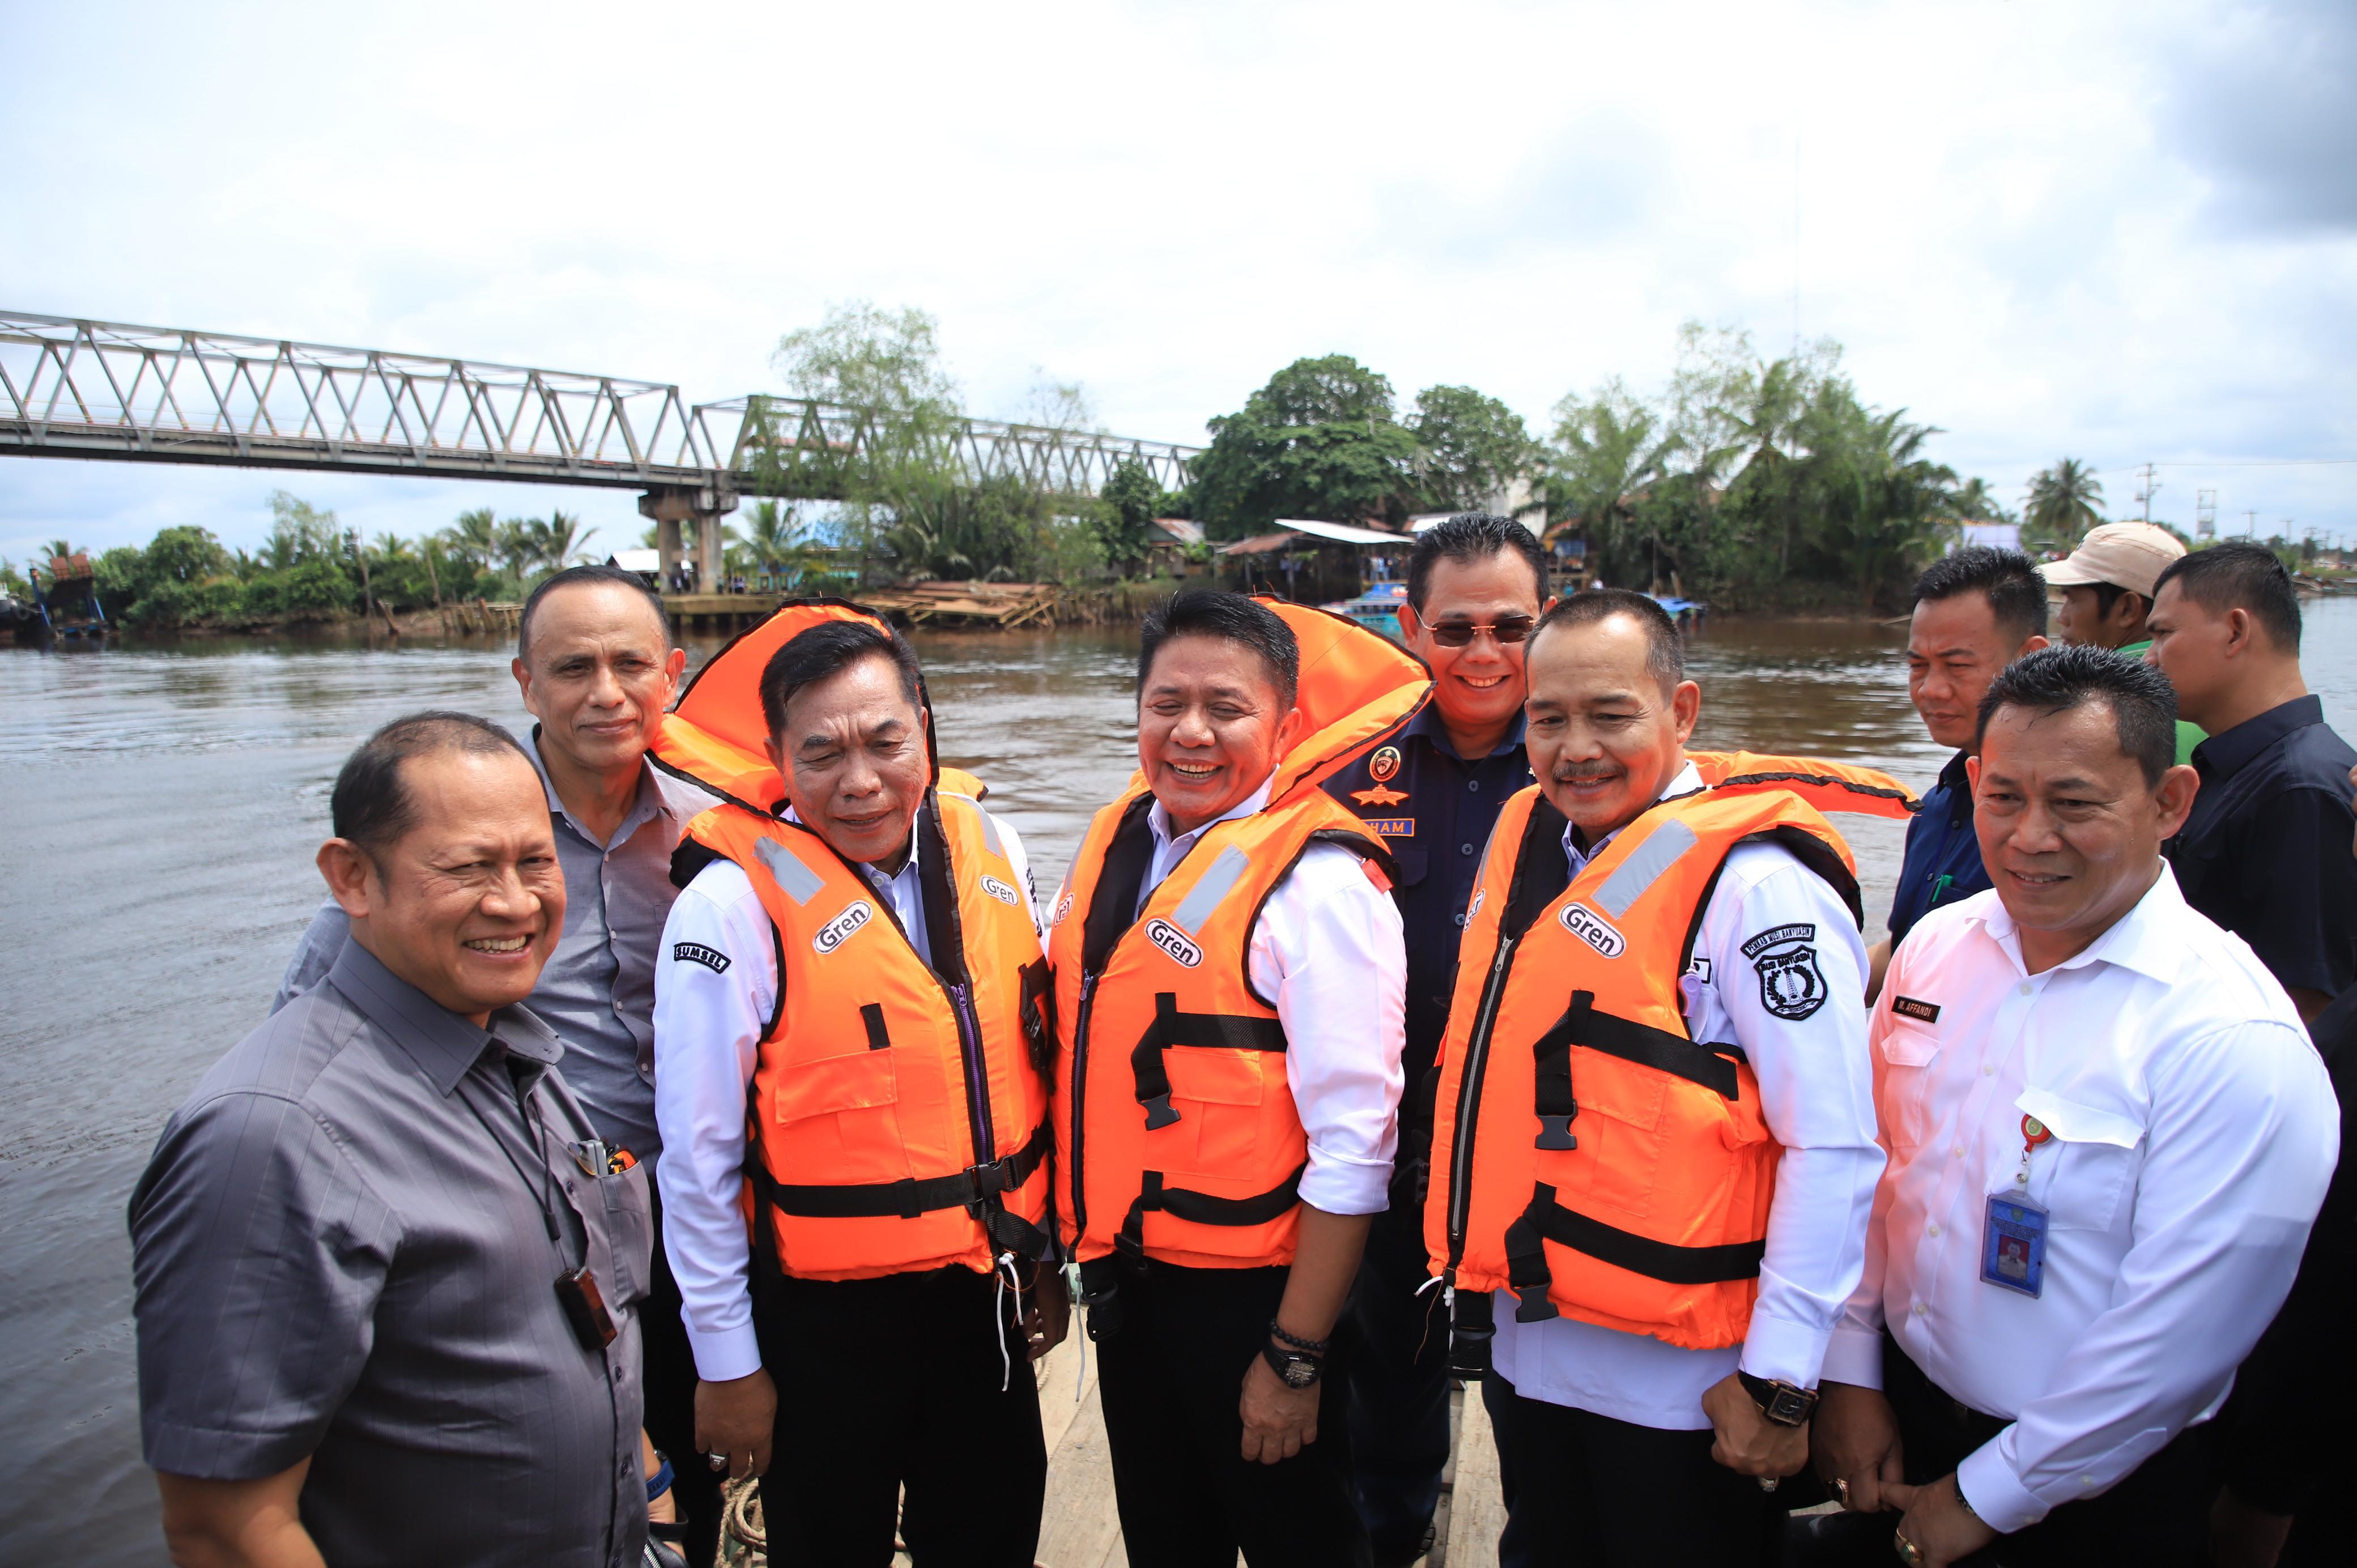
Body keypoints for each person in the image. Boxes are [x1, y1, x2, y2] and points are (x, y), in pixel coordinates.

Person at [1814, 646, 2336, 1568]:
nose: (2030, 837)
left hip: (2094, 1490)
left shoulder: (2230, 1036)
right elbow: (1876, 1171)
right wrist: (1850, 1372)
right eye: (2004, 797)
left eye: (2075, 803)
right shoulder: (1935, 950)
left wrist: (1990, 1492)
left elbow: (2176, 1339)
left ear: (2170, 802)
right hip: (1902, 1413)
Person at [1426, 590, 1908, 1565]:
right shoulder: (1531, 843)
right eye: (1548, 720)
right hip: (1529, 1349)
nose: (1577, 749)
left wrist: (1783, 1380)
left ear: (1681, 711)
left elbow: (1835, 1145)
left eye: (1611, 715)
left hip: (1687, 1385)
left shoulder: (1760, 888)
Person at [274, 564, 725, 1563]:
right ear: (525, 681)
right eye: (572, 668)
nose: (606, 693)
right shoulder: (462, 841)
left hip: (692, 1211)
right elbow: (313, 1040)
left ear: (674, 675)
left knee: (689, 1457)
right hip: (531, 1227)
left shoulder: (716, 832)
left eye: (631, 665)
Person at [131, 712, 656, 1568]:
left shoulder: (514, 1053)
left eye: (535, 862)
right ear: (352, 878)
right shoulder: (271, 1138)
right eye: (468, 868)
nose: (516, 903)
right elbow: (225, 1526)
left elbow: (589, 1310)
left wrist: (650, 1497)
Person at [652, 604, 1065, 1568]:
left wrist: (1041, 1256)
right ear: (776, 757)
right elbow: (698, 1162)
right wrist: (728, 1362)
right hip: (824, 1319)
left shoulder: (993, 847)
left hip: (985, 1291)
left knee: (996, 1533)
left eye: (886, 742)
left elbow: (1023, 1075)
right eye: (823, 753)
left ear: (923, 725)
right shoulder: (729, 907)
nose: (862, 781)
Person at [1052, 590, 1418, 1568]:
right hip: (1129, 1281)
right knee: (1167, 1539)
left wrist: (1295, 1355)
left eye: (1227, 707)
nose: (1192, 732)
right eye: (1166, 703)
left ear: (1286, 727)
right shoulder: (1118, 842)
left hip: (1258, 1297)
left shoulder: (1321, 885)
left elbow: (1355, 1146)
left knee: (1305, 1540)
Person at [1320, 513, 1548, 1566]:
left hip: (1539, 1138)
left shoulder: (1590, 761)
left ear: (1547, 621)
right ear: (1410, 627)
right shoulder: (1342, 769)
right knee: (1386, 1357)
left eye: (1512, 626)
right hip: (1390, 1123)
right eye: (1455, 629)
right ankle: (1394, 1528)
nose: (1484, 653)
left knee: (1537, 1375)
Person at [2144, 540, 2356, 1021]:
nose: (2149, 659)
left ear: (2236, 631)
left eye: (2163, 634)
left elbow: (2309, 1003)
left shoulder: (2301, 790)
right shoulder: (2237, 768)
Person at [1867, 547, 2049, 1000]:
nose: (1930, 690)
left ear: (2030, 659)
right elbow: (1906, 950)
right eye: (1918, 666)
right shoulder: (1937, 805)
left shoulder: (2052, 827)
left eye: (1958, 666)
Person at [2038, 520, 2201, 762]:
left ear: (2127, 609)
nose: (2062, 617)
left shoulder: (2091, 703)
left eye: (2072, 600)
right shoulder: (2202, 696)